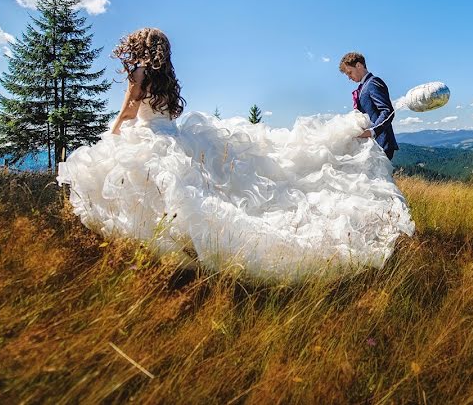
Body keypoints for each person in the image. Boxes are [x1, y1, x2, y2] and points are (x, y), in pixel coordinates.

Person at [57, 28, 413, 281]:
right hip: (172, 137)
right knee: (184, 194)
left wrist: (113, 134)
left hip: (151, 137)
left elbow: (129, 113)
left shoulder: (138, 74)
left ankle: (155, 258)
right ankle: (177, 251)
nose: (349, 77)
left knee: (147, 191)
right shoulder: (166, 77)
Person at [339, 52, 399, 160]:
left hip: (382, 142)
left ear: (358, 65)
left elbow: (387, 110)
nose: (349, 77)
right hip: (372, 145)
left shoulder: (373, 82)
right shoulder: (363, 86)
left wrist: (372, 131)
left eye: (349, 72)